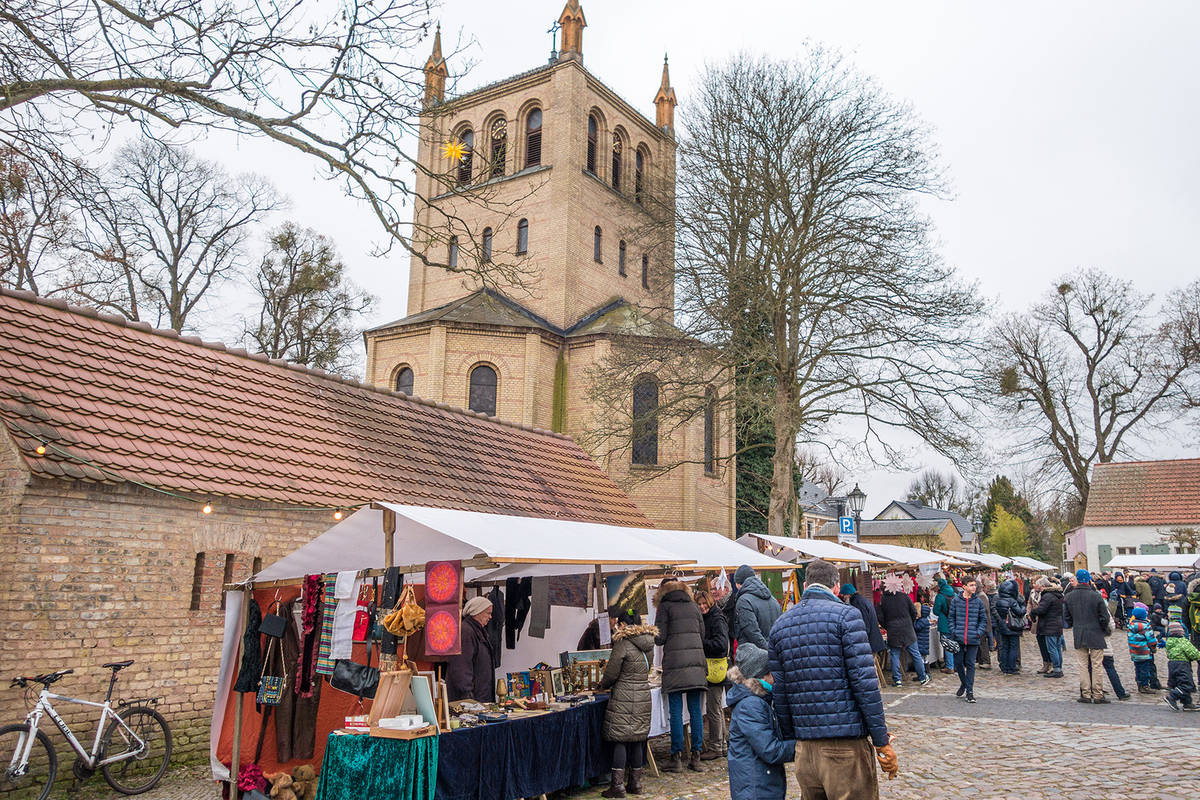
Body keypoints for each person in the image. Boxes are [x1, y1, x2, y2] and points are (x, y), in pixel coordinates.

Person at [768, 559, 896, 800]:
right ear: (836, 587)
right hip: (844, 745)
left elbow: (780, 692)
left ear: (805, 585)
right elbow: (865, 685)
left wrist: (793, 739)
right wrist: (881, 740)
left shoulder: (780, 625)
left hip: (805, 748)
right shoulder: (847, 616)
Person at [597, 610, 655, 798]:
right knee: (637, 739)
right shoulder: (649, 643)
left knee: (620, 739)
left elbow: (612, 673)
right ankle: (635, 784)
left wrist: (602, 685)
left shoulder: (622, 644)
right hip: (643, 695)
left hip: (623, 696)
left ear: (622, 625)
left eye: (618, 624)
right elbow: (647, 669)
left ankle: (617, 786)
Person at [725, 643, 795, 800]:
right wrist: (802, 746)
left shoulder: (758, 700)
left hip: (760, 782)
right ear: (762, 676)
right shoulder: (751, 705)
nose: (775, 677)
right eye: (771, 673)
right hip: (755, 788)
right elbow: (770, 750)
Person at [653, 578, 707, 773]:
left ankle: (676, 757)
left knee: (675, 712)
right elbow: (702, 634)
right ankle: (696, 756)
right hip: (696, 665)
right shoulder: (693, 606)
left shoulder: (664, 607)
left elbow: (659, 639)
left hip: (675, 665)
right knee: (695, 711)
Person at [1064, 569, 1110, 704]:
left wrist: (1074, 624)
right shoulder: (1096, 596)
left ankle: (1086, 693)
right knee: (1097, 665)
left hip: (1079, 632)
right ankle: (1098, 694)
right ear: (1089, 580)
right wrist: (1103, 628)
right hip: (1095, 632)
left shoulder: (1069, 596)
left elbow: (1067, 618)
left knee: (1083, 665)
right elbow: (1104, 617)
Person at [877, 574, 930, 687]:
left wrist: (887, 626)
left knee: (895, 655)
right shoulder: (904, 596)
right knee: (915, 654)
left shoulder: (883, 600)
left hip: (893, 630)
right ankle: (922, 677)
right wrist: (910, 622)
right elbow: (914, 612)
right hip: (907, 629)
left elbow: (880, 617)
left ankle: (897, 680)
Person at [696, 588, 730, 761]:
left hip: (715, 668)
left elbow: (721, 644)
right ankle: (721, 745)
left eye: (704, 604)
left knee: (713, 709)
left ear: (709, 603)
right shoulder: (710, 617)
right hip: (715, 667)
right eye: (699, 604)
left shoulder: (716, 618)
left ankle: (716, 746)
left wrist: (701, 643)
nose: (702, 607)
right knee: (716, 708)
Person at [446, 595, 497, 702]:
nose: (490, 617)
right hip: (470, 700)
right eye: (488, 613)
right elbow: (461, 666)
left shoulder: (477, 631)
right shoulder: (466, 632)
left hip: (479, 697)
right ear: (477, 612)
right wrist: (467, 696)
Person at [947, 576, 987, 703]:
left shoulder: (978, 601)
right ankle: (964, 683)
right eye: (971, 585)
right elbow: (951, 618)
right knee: (958, 663)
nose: (974, 587)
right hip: (958, 637)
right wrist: (954, 631)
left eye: (974, 585)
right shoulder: (956, 601)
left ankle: (970, 691)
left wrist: (978, 633)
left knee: (970, 664)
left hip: (973, 638)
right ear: (964, 586)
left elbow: (983, 619)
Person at [840, 583, 888, 682]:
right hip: (872, 639)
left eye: (844, 596)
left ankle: (874, 684)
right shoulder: (862, 600)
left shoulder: (857, 603)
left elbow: (865, 625)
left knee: (868, 668)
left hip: (869, 640)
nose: (844, 598)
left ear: (848, 594)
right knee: (871, 666)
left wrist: (861, 639)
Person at [733, 565, 782, 651]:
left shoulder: (744, 601)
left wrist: (768, 650)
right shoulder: (772, 599)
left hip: (753, 653)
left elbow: (752, 632)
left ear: (738, 583)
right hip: (775, 649)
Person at [1029, 576, 1065, 678]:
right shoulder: (1057, 594)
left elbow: (1041, 609)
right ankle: (1058, 668)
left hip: (1050, 625)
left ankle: (1057, 669)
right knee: (1057, 648)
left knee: (1052, 648)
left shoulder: (1048, 596)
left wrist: (1033, 612)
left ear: (1043, 586)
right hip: (1057, 624)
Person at [1164, 620, 1200, 711]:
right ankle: (1172, 697)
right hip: (1182, 665)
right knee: (1187, 684)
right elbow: (1193, 653)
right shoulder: (1183, 641)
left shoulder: (1169, 642)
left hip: (1172, 664)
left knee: (1180, 683)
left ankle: (1187, 702)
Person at [993, 578, 1027, 675]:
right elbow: (1020, 612)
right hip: (1012, 626)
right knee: (1013, 647)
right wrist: (1023, 607)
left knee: (1005, 647)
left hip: (1003, 625)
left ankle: (1005, 667)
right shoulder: (1012, 601)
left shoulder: (999, 600)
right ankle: (1011, 667)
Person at [1126, 606, 1159, 693]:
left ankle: (1139, 684)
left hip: (1134, 652)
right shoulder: (1146, 626)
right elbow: (1151, 639)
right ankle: (1145, 686)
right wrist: (1154, 648)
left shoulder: (1130, 626)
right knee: (1145, 669)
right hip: (1144, 652)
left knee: (1138, 668)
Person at [932, 577, 956, 674]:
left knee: (947, 644)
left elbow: (936, 611)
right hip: (954, 622)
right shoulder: (954, 594)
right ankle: (954, 664)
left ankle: (950, 666)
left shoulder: (940, 596)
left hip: (944, 622)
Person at [975, 578, 995, 670]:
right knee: (980, 643)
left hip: (983, 624)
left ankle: (986, 661)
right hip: (981, 623)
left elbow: (984, 609)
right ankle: (981, 660)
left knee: (983, 643)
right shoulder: (979, 595)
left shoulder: (981, 596)